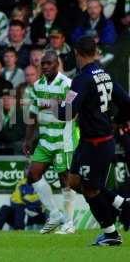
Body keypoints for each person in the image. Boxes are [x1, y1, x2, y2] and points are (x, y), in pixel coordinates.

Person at [54, 36, 130, 246]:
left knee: (91, 189)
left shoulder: (82, 79)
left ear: (77, 53)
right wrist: (117, 121)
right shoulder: (104, 74)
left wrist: (52, 103)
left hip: (97, 143)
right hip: (91, 141)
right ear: (95, 52)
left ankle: (111, 234)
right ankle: (121, 203)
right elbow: (127, 102)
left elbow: (66, 113)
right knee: (75, 181)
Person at [23, 50, 78, 235]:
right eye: (43, 64)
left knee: (65, 179)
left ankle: (69, 222)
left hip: (64, 138)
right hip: (45, 139)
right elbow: (32, 113)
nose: (45, 66)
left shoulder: (68, 84)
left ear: (57, 64)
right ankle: (55, 215)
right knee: (33, 174)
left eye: (49, 63)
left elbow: (72, 111)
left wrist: (53, 104)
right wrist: (29, 139)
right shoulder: (37, 86)